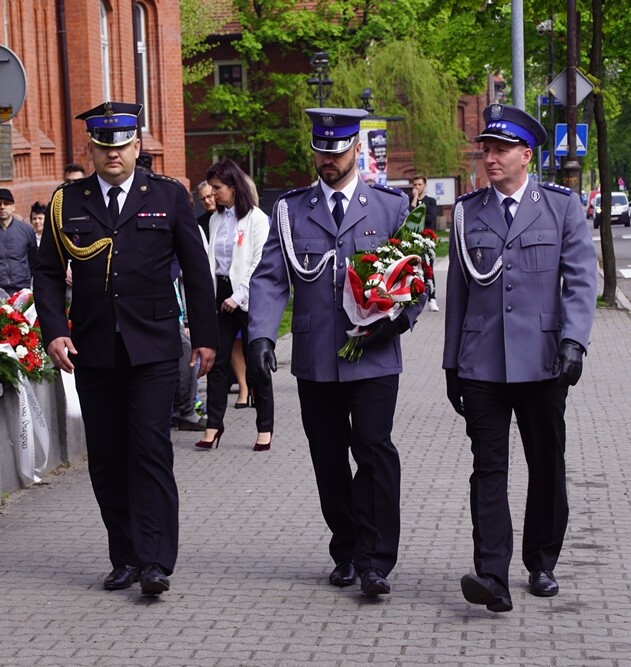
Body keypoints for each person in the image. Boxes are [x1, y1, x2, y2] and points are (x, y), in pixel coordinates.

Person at [32, 101, 218, 596]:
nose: (112, 154)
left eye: (121, 145)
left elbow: (197, 272)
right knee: (109, 457)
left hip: (154, 347)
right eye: (103, 146)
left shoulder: (168, 195)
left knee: (150, 450)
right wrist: (53, 330)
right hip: (93, 349)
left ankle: (156, 561)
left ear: (137, 145)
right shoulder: (66, 202)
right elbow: (47, 274)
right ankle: (126, 556)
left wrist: (205, 338)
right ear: (91, 149)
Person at [247, 108, 424, 596]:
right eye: (321, 151)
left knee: (374, 449)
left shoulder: (390, 207)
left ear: (356, 151)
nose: (329, 160)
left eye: (338, 151)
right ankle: (345, 547)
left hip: (374, 354)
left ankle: (375, 560)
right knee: (327, 455)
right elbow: (269, 278)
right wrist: (261, 335)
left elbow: (417, 277)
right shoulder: (291, 209)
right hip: (317, 355)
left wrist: (398, 321)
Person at [443, 104, 598, 613]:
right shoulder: (468, 212)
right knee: (488, 468)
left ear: (526, 155)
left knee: (545, 464)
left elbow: (580, 280)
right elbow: (459, 292)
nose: (490, 157)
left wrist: (574, 341)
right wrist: (451, 364)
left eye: (501, 149)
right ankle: (492, 575)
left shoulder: (561, 207)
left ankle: (541, 561)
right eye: (486, 148)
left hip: (542, 361)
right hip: (482, 363)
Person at [197, 158, 273, 452]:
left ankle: (265, 427)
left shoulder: (255, 218)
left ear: (233, 186)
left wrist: (239, 295)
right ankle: (213, 425)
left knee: (257, 363)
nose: (213, 194)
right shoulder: (216, 219)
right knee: (217, 361)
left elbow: (259, 261)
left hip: (249, 298)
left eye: (217, 188)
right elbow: (211, 261)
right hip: (221, 295)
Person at [409, 175, 439, 312]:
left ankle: (432, 298)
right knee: (412, 270)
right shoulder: (410, 201)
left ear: (425, 186)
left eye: (419, 185)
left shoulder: (431, 201)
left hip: (427, 240)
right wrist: (414, 199)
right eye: (415, 185)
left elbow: (430, 218)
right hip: (413, 240)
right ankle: (414, 298)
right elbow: (409, 217)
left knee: (428, 270)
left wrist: (418, 214)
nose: (417, 187)